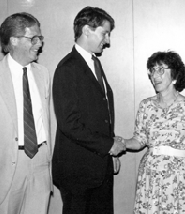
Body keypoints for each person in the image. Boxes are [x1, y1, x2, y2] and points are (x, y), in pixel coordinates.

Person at [0, 12, 52, 214]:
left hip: (40, 164)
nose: (39, 44)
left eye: (40, 38)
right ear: (14, 40)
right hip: (3, 170)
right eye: (33, 38)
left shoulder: (43, 74)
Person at [52, 6, 125, 214]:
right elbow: (69, 123)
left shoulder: (95, 64)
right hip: (77, 172)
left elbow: (99, 116)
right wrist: (108, 145)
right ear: (86, 30)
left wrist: (109, 151)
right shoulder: (67, 68)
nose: (108, 40)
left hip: (98, 168)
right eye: (104, 33)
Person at [116, 51, 185, 213]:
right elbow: (139, 139)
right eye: (152, 70)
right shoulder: (146, 106)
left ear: (175, 74)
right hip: (151, 173)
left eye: (161, 70)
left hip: (178, 174)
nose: (155, 75)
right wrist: (122, 143)